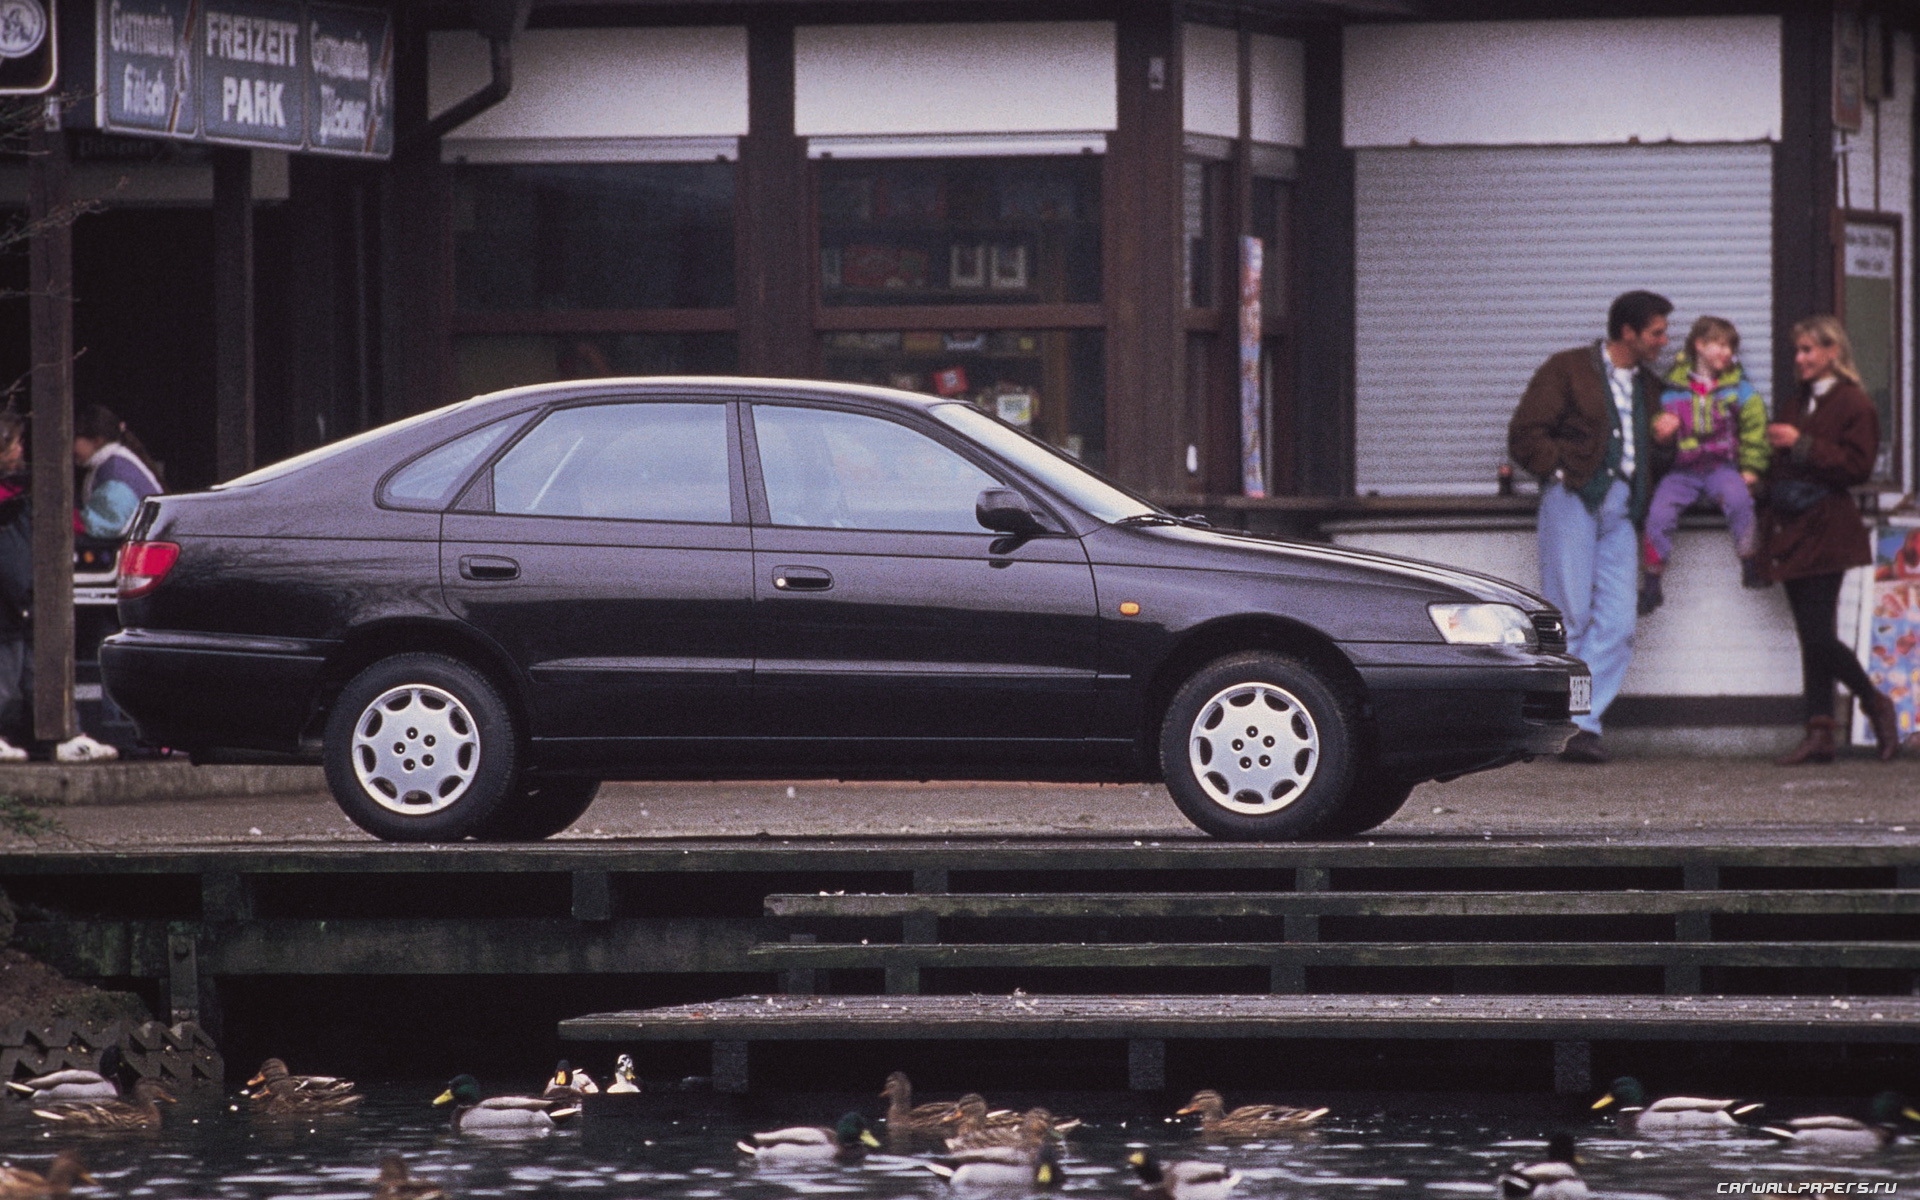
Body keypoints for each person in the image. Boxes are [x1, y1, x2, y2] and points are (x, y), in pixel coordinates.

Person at [1509, 290, 1678, 764]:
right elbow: (1525, 433)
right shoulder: (1567, 369)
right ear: (1628, 332)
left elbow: (1657, 461)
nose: (1663, 341)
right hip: (1573, 499)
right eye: (1656, 332)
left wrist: (1668, 441)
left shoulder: (1649, 387)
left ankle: (1582, 722)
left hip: (1623, 509)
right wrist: (1559, 471)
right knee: (1569, 615)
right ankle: (1565, 726)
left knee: (1620, 624)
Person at [1763, 315, 1900, 765]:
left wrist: (1801, 444)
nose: (1799, 359)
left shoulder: (1855, 402)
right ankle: (1820, 732)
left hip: (1829, 530)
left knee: (1820, 636)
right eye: (1797, 351)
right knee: (1811, 636)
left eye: (1807, 350)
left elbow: (1858, 467)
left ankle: (1874, 702)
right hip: (1794, 528)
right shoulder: (1797, 400)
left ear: (1831, 352)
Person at [0, 412, 118, 763]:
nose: (20, 449)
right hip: (8, 604)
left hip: (28, 600)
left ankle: (61, 736)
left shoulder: (23, 491)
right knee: (6, 679)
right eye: (13, 443)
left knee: (37, 674)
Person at [1637, 315, 1770, 614]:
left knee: (1739, 501)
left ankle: (1750, 563)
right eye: (1719, 345)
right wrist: (1660, 430)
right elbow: (1652, 425)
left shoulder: (1738, 388)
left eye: (1730, 348)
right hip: (1681, 471)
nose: (1726, 353)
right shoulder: (1671, 388)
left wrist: (1751, 469)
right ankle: (1652, 582)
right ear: (1699, 345)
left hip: (1721, 468)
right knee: (1658, 515)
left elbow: (1755, 429)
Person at [73, 405, 163, 540]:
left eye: (74, 439)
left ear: (97, 441)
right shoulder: (113, 462)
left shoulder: (115, 471)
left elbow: (110, 523)